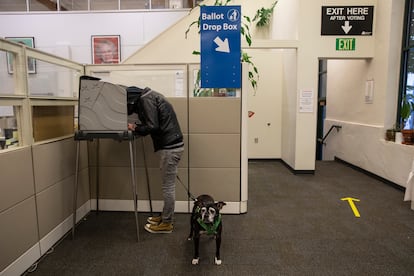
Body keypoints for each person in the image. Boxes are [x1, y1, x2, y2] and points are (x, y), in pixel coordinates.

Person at [127, 86, 184, 234]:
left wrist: (135, 127)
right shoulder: (151, 96)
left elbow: (152, 125)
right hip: (172, 145)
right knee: (168, 186)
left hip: (170, 148)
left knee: (168, 187)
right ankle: (165, 216)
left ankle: (167, 223)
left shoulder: (146, 99)